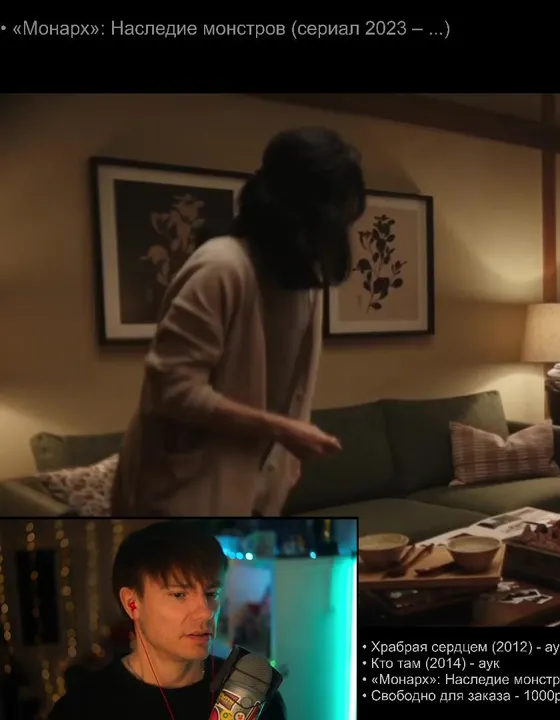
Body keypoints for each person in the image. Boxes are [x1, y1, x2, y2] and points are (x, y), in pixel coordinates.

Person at [112, 127, 362, 516]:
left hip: (256, 497)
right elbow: (174, 389)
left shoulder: (305, 280)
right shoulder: (220, 268)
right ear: (298, 213)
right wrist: (280, 428)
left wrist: (284, 460)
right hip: (180, 497)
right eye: (336, 219)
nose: (341, 234)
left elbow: (292, 390)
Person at [48, 521, 286, 720]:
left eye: (211, 594)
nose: (206, 612)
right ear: (132, 604)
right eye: (179, 595)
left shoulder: (251, 697)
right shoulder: (82, 709)